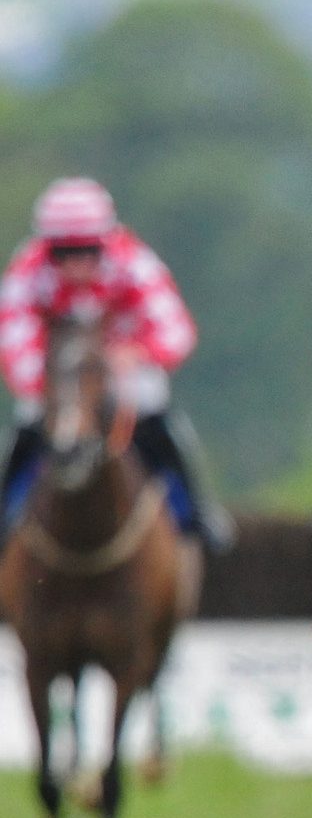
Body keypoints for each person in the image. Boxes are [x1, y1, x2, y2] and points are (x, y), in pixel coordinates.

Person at [0, 176, 230, 549]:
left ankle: (196, 511)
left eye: (88, 251)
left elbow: (177, 332)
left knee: (160, 414)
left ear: (105, 242)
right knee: (25, 423)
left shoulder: (134, 261)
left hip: (125, 371)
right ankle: (7, 513)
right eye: (63, 253)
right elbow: (14, 343)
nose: (77, 264)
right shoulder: (26, 272)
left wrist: (135, 354)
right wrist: (53, 384)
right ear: (47, 249)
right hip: (58, 377)